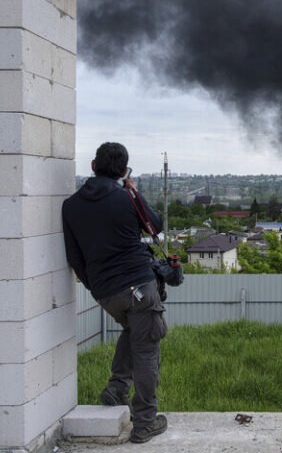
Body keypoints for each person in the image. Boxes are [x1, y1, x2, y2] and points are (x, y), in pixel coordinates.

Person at [62, 142, 168, 443]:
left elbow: (74, 257)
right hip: (138, 285)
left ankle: (117, 388)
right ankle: (145, 421)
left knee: (135, 332)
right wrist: (133, 190)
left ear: (93, 165)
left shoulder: (70, 205)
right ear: (124, 172)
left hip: (105, 293)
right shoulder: (125, 198)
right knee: (147, 346)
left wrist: (95, 286)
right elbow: (154, 227)